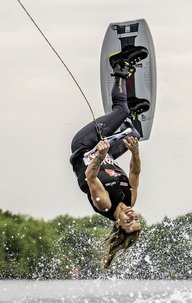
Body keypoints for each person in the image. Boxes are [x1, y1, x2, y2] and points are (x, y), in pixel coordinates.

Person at [69, 45, 149, 269]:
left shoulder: (104, 205)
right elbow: (135, 172)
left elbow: (91, 176)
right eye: (136, 220)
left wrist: (99, 154)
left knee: (120, 112)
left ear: (118, 225)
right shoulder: (130, 200)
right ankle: (129, 112)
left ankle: (120, 65)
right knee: (134, 135)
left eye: (128, 222)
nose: (133, 216)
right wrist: (134, 151)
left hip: (85, 147)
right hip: (105, 153)